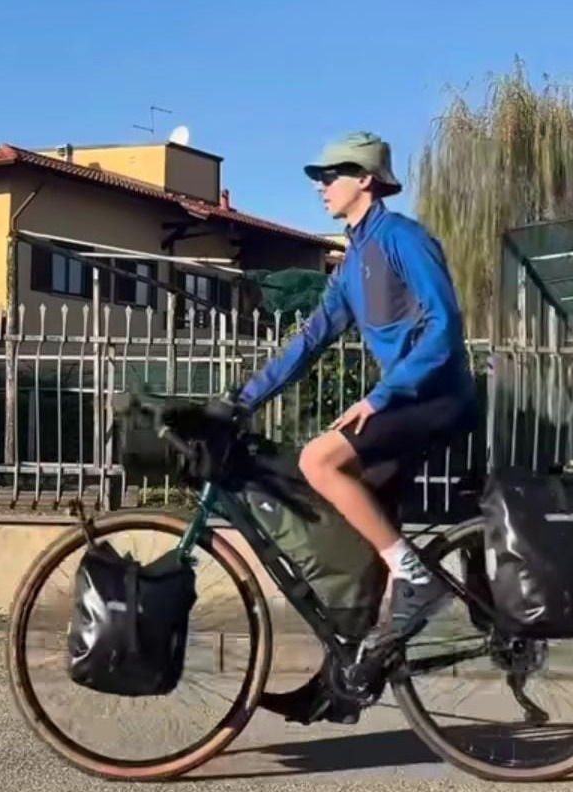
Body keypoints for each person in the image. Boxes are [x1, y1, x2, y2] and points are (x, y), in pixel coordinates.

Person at [235, 131, 479, 647]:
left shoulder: (401, 238)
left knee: (319, 460)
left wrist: (380, 397)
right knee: (358, 521)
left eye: (331, 176)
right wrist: (243, 399)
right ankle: (359, 665)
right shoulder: (353, 262)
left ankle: (416, 576)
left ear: (364, 179)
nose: (321, 186)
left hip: (435, 397)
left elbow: (444, 325)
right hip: (406, 399)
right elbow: (312, 338)